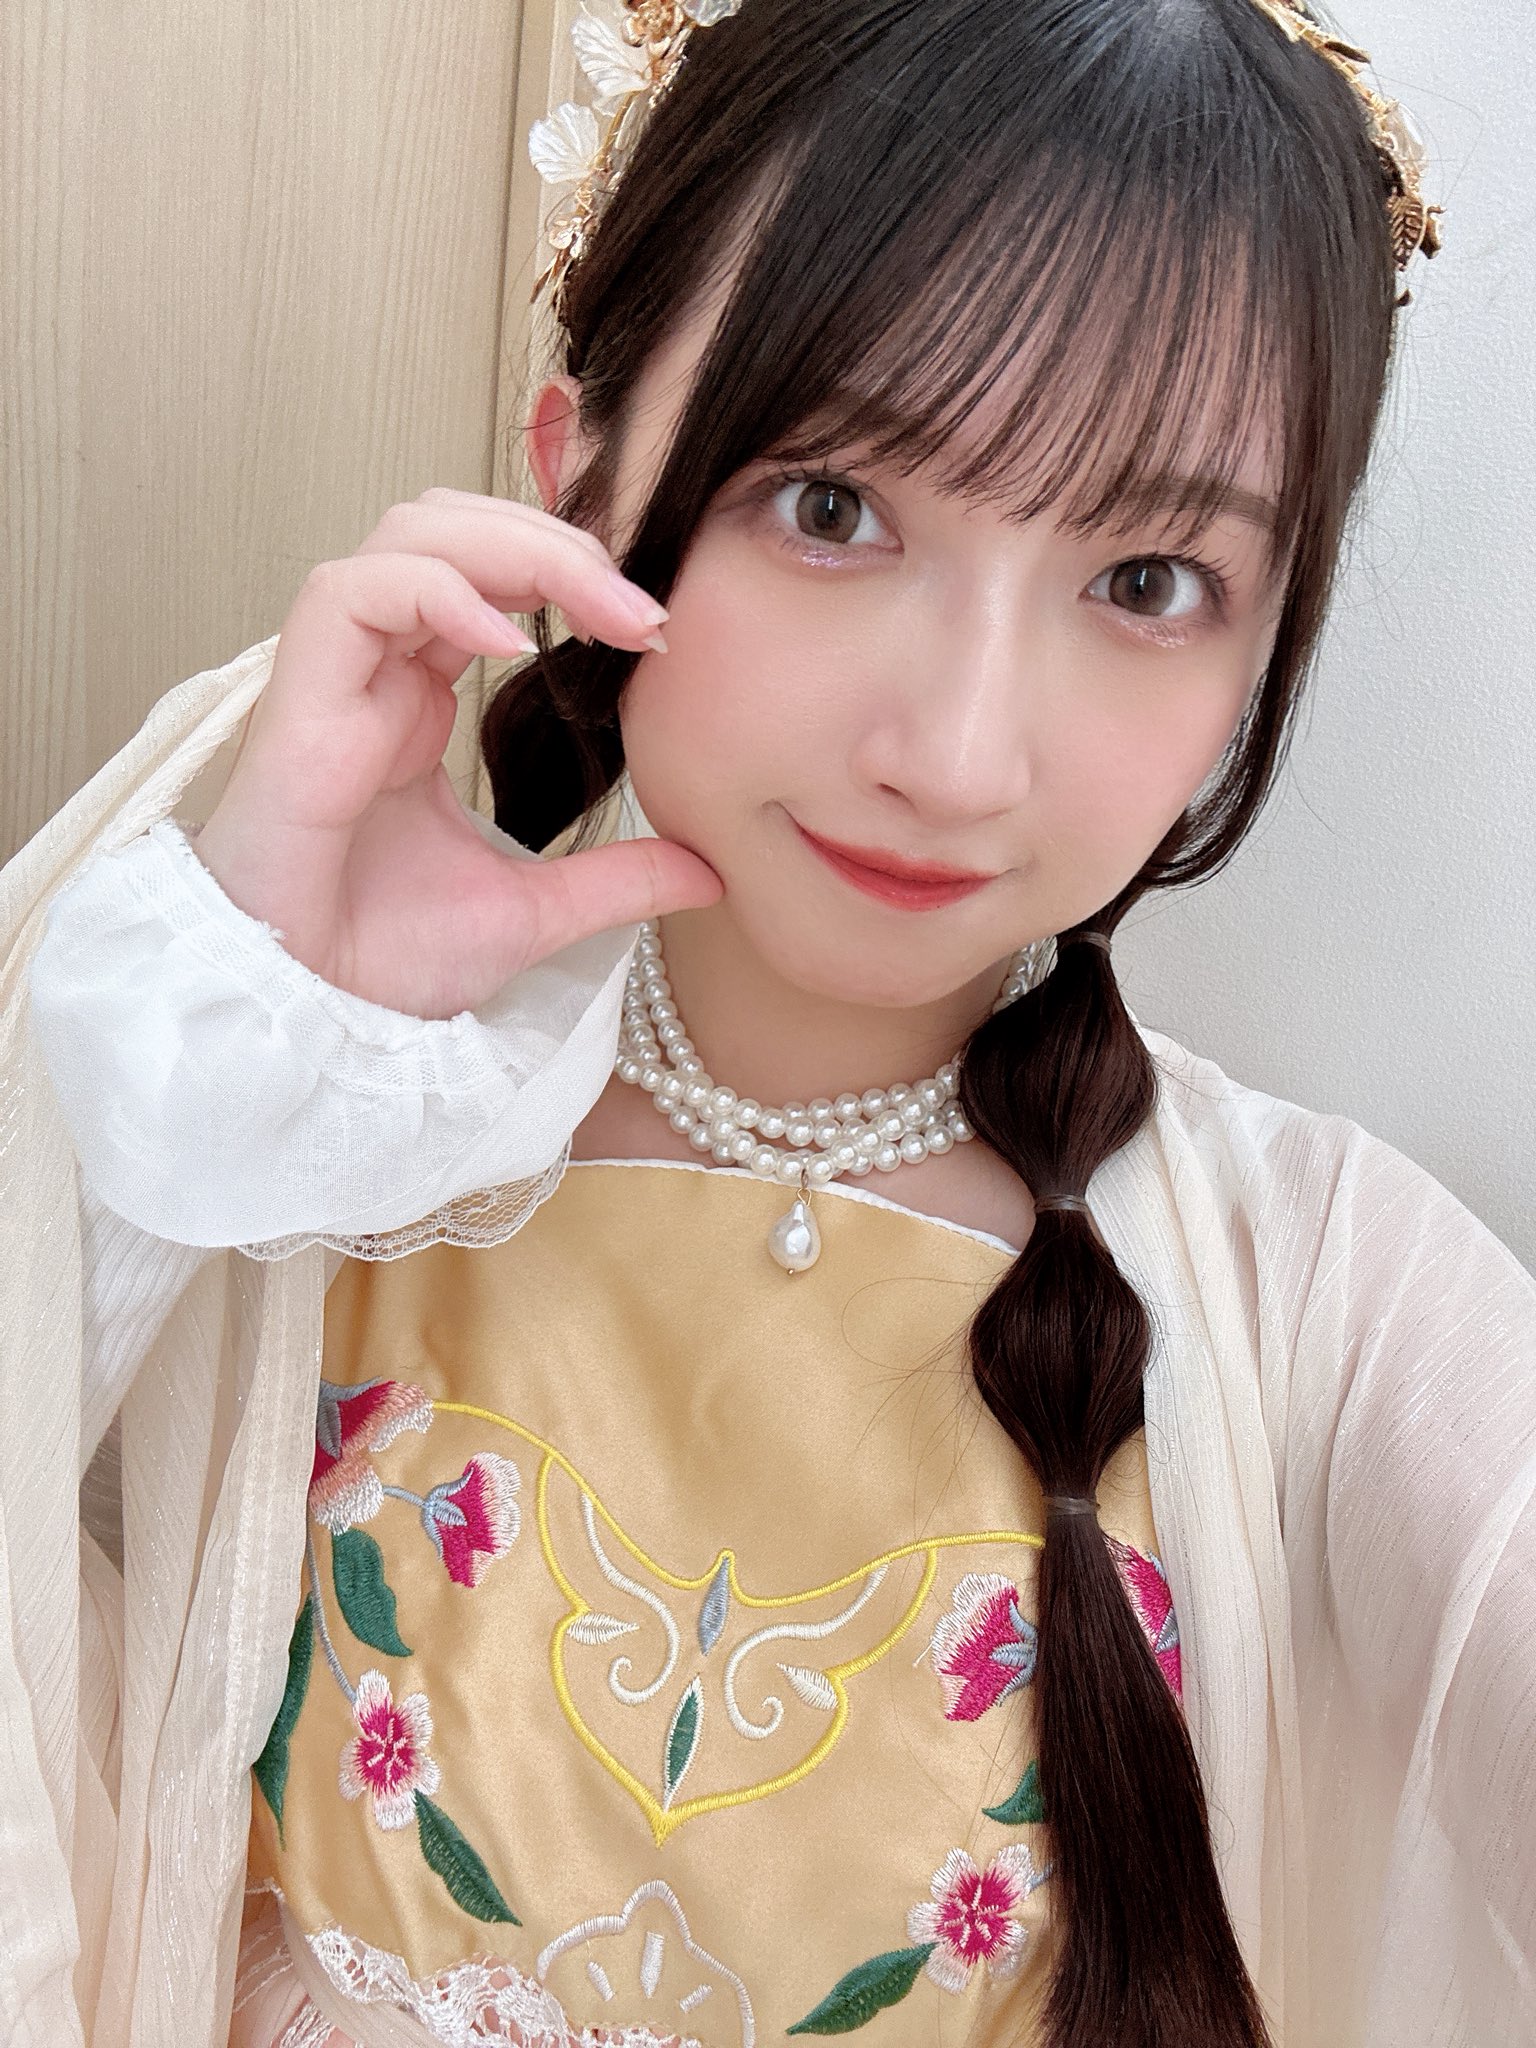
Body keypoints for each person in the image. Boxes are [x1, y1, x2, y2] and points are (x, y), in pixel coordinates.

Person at [1, 0, 1529, 2043]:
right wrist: (228, 1049)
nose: (958, 752)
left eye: (1150, 576)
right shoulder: (331, 1122)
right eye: (831, 505)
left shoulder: (1323, 1291)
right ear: (580, 474)